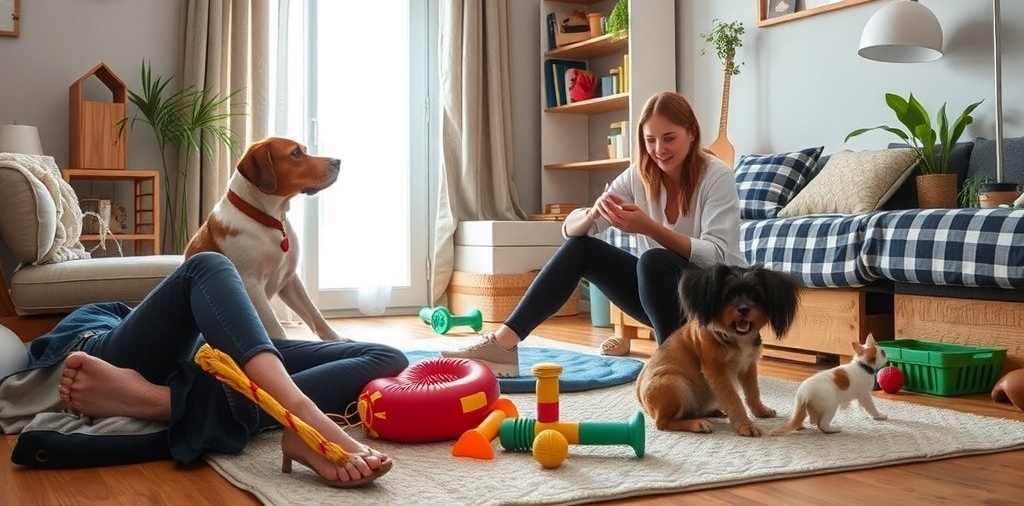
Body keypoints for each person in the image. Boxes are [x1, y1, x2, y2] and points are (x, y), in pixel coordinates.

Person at [0, 252, 408, 487]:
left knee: (386, 358)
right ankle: (303, 418)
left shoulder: (194, 330)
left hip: (202, 354)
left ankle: (164, 401)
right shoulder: (99, 320)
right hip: (98, 347)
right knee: (207, 265)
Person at [440, 91, 746, 376]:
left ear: (691, 134)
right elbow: (569, 231)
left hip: (719, 302)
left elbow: (716, 256)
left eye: (669, 139)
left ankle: (677, 371)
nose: (658, 150)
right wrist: (593, 212)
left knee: (653, 261)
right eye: (650, 140)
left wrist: (649, 227)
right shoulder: (640, 175)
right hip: (670, 299)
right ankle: (503, 344)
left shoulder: (716, 176)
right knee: (582, 249)